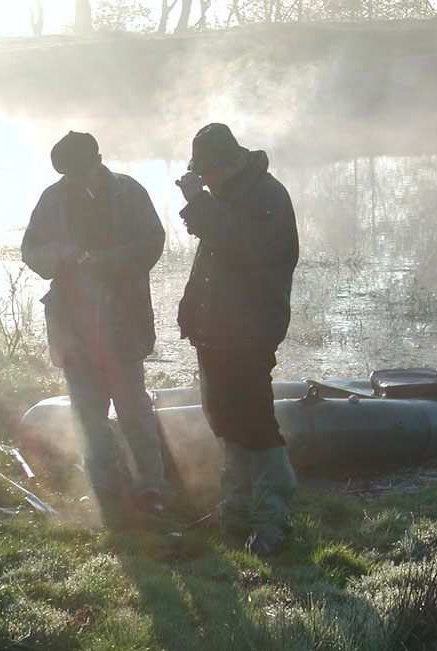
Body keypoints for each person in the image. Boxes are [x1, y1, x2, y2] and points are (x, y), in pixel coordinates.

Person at [22, 131, 166, 516]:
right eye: (68, 175)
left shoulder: (130, 193)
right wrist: (58, 255)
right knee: (88, 414)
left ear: (99, 161)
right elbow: (30, 250)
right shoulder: (52, 199)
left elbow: (153, 241)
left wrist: (111, 262)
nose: (75, 182)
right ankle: (106, 488)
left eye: (81, 173)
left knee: (134, 409)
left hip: (123, 321)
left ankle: (150, 488)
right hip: (72, 328)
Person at [175, 123, 299, 555]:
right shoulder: (229, 197)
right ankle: (238, 514)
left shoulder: (266, 197)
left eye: (205, 173)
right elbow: (213, 262)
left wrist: (197, 203)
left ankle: (272, 522)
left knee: (256, 425)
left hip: (249, 332)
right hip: (217, 333)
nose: (201, 181)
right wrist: (191, 311)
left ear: (229, 165)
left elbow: (241, 246)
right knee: (226, 421)